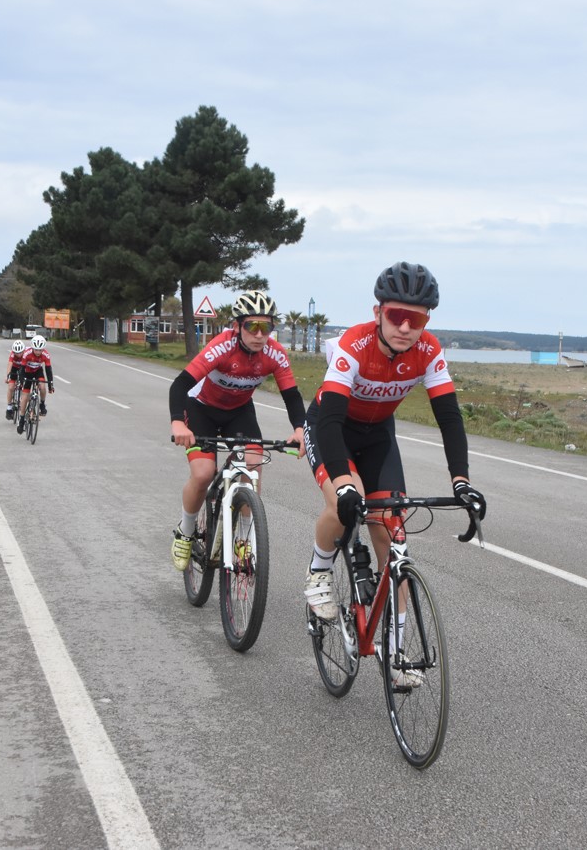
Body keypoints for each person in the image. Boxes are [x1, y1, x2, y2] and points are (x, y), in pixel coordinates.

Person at [301, 262, 486, 686]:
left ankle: (394, 652)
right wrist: (345, 486)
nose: (405, 327)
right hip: (332, 427)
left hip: (378, 435)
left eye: (415, 319)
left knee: (391, 534)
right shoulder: (354, 344)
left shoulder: (429, 352)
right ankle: (320, 570)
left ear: (426, 322)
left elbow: (450, 418)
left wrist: (462, 482)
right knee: (344, 504)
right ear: (377, 311)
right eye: (395, 316)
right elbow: (329, 419)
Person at [168, 290, 306, 571]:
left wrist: (300, 429)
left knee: (252, 466)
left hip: (239, 412)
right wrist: (178, 423)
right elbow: (179, 385)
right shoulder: (221, 348)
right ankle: (186, 530)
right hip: (202, 408)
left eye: (265, 327)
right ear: (236, 326)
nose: (259, 334)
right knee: (204, 474)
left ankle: (243, 539)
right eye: (251, 326)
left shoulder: (274, 354)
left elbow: (291, 395)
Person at [17, 334, 54, 433]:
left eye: (40, 350)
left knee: (42, 386)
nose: (38, 352)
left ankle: (42, 404)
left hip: (38, 371)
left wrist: (51, 385)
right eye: (36, 350)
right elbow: (22, 369)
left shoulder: (46, 355)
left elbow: (48, 370)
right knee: (25, 397)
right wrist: (21, 381)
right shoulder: (27, 353)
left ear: (43, 349)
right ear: (32, 348)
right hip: (27, 372)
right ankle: (21, 420)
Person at [5, 339, 26, 420]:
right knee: (11, 387)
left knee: (25, 385)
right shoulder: (12, 355)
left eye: (20, 352)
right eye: (16, 353)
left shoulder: (26, 354)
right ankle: (9, 407)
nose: (19, 354)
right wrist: (8, 376)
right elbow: (9, 364)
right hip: (14, 368)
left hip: (23, 369)